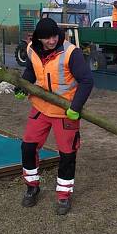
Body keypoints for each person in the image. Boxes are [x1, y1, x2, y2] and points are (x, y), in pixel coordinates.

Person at [14, 18, 94, 215]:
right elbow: (31, 70)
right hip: (40, 107)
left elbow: (87, 81)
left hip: (65, 111)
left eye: (54, 36)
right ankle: (32, 187)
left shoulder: (71, 53)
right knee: (28, 147)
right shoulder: (32, 48)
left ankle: (64, 196)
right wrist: (23, 86)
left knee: (67, 154)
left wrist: (75, 107)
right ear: (38, 38)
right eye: (47, 38)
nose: (52, 40)